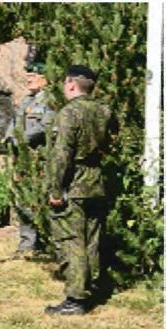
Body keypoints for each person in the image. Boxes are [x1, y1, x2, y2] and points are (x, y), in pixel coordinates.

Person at [45, 65, 111, 315]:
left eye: (64, 83)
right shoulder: (103, 111)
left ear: (71, 84)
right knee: (91, 239)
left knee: (72, 241)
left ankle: (75, 298)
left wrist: (55, 189)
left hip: (74, 184)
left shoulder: (68, 113)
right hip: (96, 182)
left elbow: (62, 155)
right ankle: (90, 287)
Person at [4, 61, 56, 255]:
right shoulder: (27, 101)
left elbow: (45, 126)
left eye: (33, 77)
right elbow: (15, 121)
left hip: (40, 159)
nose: (28, 80)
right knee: (23, 200)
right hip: (23, 159)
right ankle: (27, 243)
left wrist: (21, 139)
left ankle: (48, 242)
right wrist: (10, 136)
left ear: (45, 79)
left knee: (43, 199)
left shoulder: (51, 100)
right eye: (27, 77)